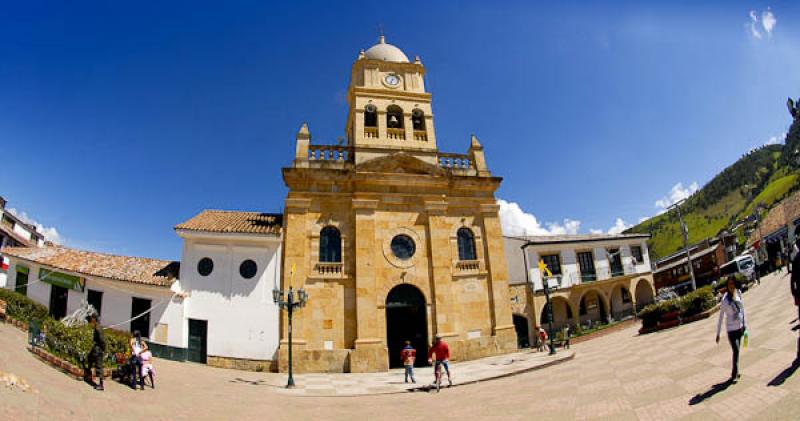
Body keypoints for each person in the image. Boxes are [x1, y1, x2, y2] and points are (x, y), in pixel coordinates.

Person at [716, 276, 747, 383]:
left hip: (740, 328)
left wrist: (745, 324)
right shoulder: (725, 300)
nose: (731, 286)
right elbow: (720, 317)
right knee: (736, 350)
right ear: (727, 286)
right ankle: (734, 374)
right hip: (731, 330)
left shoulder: (738, 293)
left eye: (732, 283)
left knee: (737, 351)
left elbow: (742, 310)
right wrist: (718, 333)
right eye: (729, 284)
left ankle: (736, 371)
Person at [87, 314, 105, 391]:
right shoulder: (96, 326)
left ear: (95, 319)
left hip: (98, 349)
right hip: (95, 349)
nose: (91, 320)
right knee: (90, 359)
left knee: (99, 367)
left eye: (92, 318)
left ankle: (101, 385)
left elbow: (102, 340)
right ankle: (88, 376)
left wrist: (103, 349)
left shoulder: (98, 328)